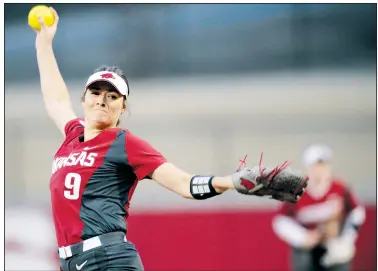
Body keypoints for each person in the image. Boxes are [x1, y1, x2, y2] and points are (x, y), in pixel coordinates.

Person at [33, 7, 308, 271]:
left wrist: (232, 182)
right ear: (83, 99)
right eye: (95, 92)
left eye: (112, 95)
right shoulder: (72, 134)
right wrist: (43, 44)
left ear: (123, 107)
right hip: (71, 262)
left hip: (108, 259)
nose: (102, 100)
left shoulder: (124, 143)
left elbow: (184, 184)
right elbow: (55, 100)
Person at [272, 143, 366, 271]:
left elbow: (357, 213)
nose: (320, 169)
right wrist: (302, 237)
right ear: (308, 167)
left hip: (334, 249)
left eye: (323, 165)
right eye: (316, 165)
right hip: (306, 252)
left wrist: (347, 239)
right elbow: (280, 220)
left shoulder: (340, 188)